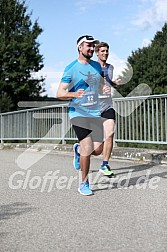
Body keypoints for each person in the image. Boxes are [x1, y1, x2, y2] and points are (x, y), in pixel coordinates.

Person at [56, 35, 104, 196]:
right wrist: (74, 94)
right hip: (78, 113)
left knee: (98, 150)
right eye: (88, 46)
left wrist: (105, 88)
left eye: (93, 46)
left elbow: (100, 85)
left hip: (95, 112)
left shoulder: (97, 66)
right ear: (80, 47)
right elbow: (60, 93)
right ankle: (84, 182)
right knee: (88, 147)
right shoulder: (71, 68)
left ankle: (77, 150)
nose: (91, 48)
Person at [95, 42, 121, 176]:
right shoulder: (90, 67)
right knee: (96, 149)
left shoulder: (111, 67)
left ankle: (104, 165)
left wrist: (115, 83)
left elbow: (108, 82)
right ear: (97, 53)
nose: (105, 53)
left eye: (107, 51)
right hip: (93, 107)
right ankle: (79, 151)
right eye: (102, 51)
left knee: (110, 133)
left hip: (108, 106)